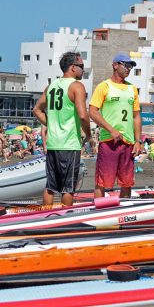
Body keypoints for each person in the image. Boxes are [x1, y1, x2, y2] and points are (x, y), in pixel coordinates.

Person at [33, 51, 92, 206]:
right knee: (68, 188)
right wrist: (89, 136)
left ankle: (45, 217)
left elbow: (37, 110)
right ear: (72, 67)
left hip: (53, 144)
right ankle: (64, 219)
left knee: (50, 187)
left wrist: (51, 124)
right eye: (81, 66)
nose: (83, 70)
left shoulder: (51, 86)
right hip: (69, 144)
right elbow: (83, 116)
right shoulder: (77, 86)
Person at [89, 53, 142, 198]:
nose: (129, 69)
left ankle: (124, 214)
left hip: (128, 141)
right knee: (102, 181)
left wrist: (138, 141)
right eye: (126, 65)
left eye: (130, 66)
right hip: (109, 141)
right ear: (115, 65)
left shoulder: (132, 89)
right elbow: (93, 112)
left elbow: (136, 116)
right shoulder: (104, 86)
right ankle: (99, 214)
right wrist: (111, 130)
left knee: (127, 182)